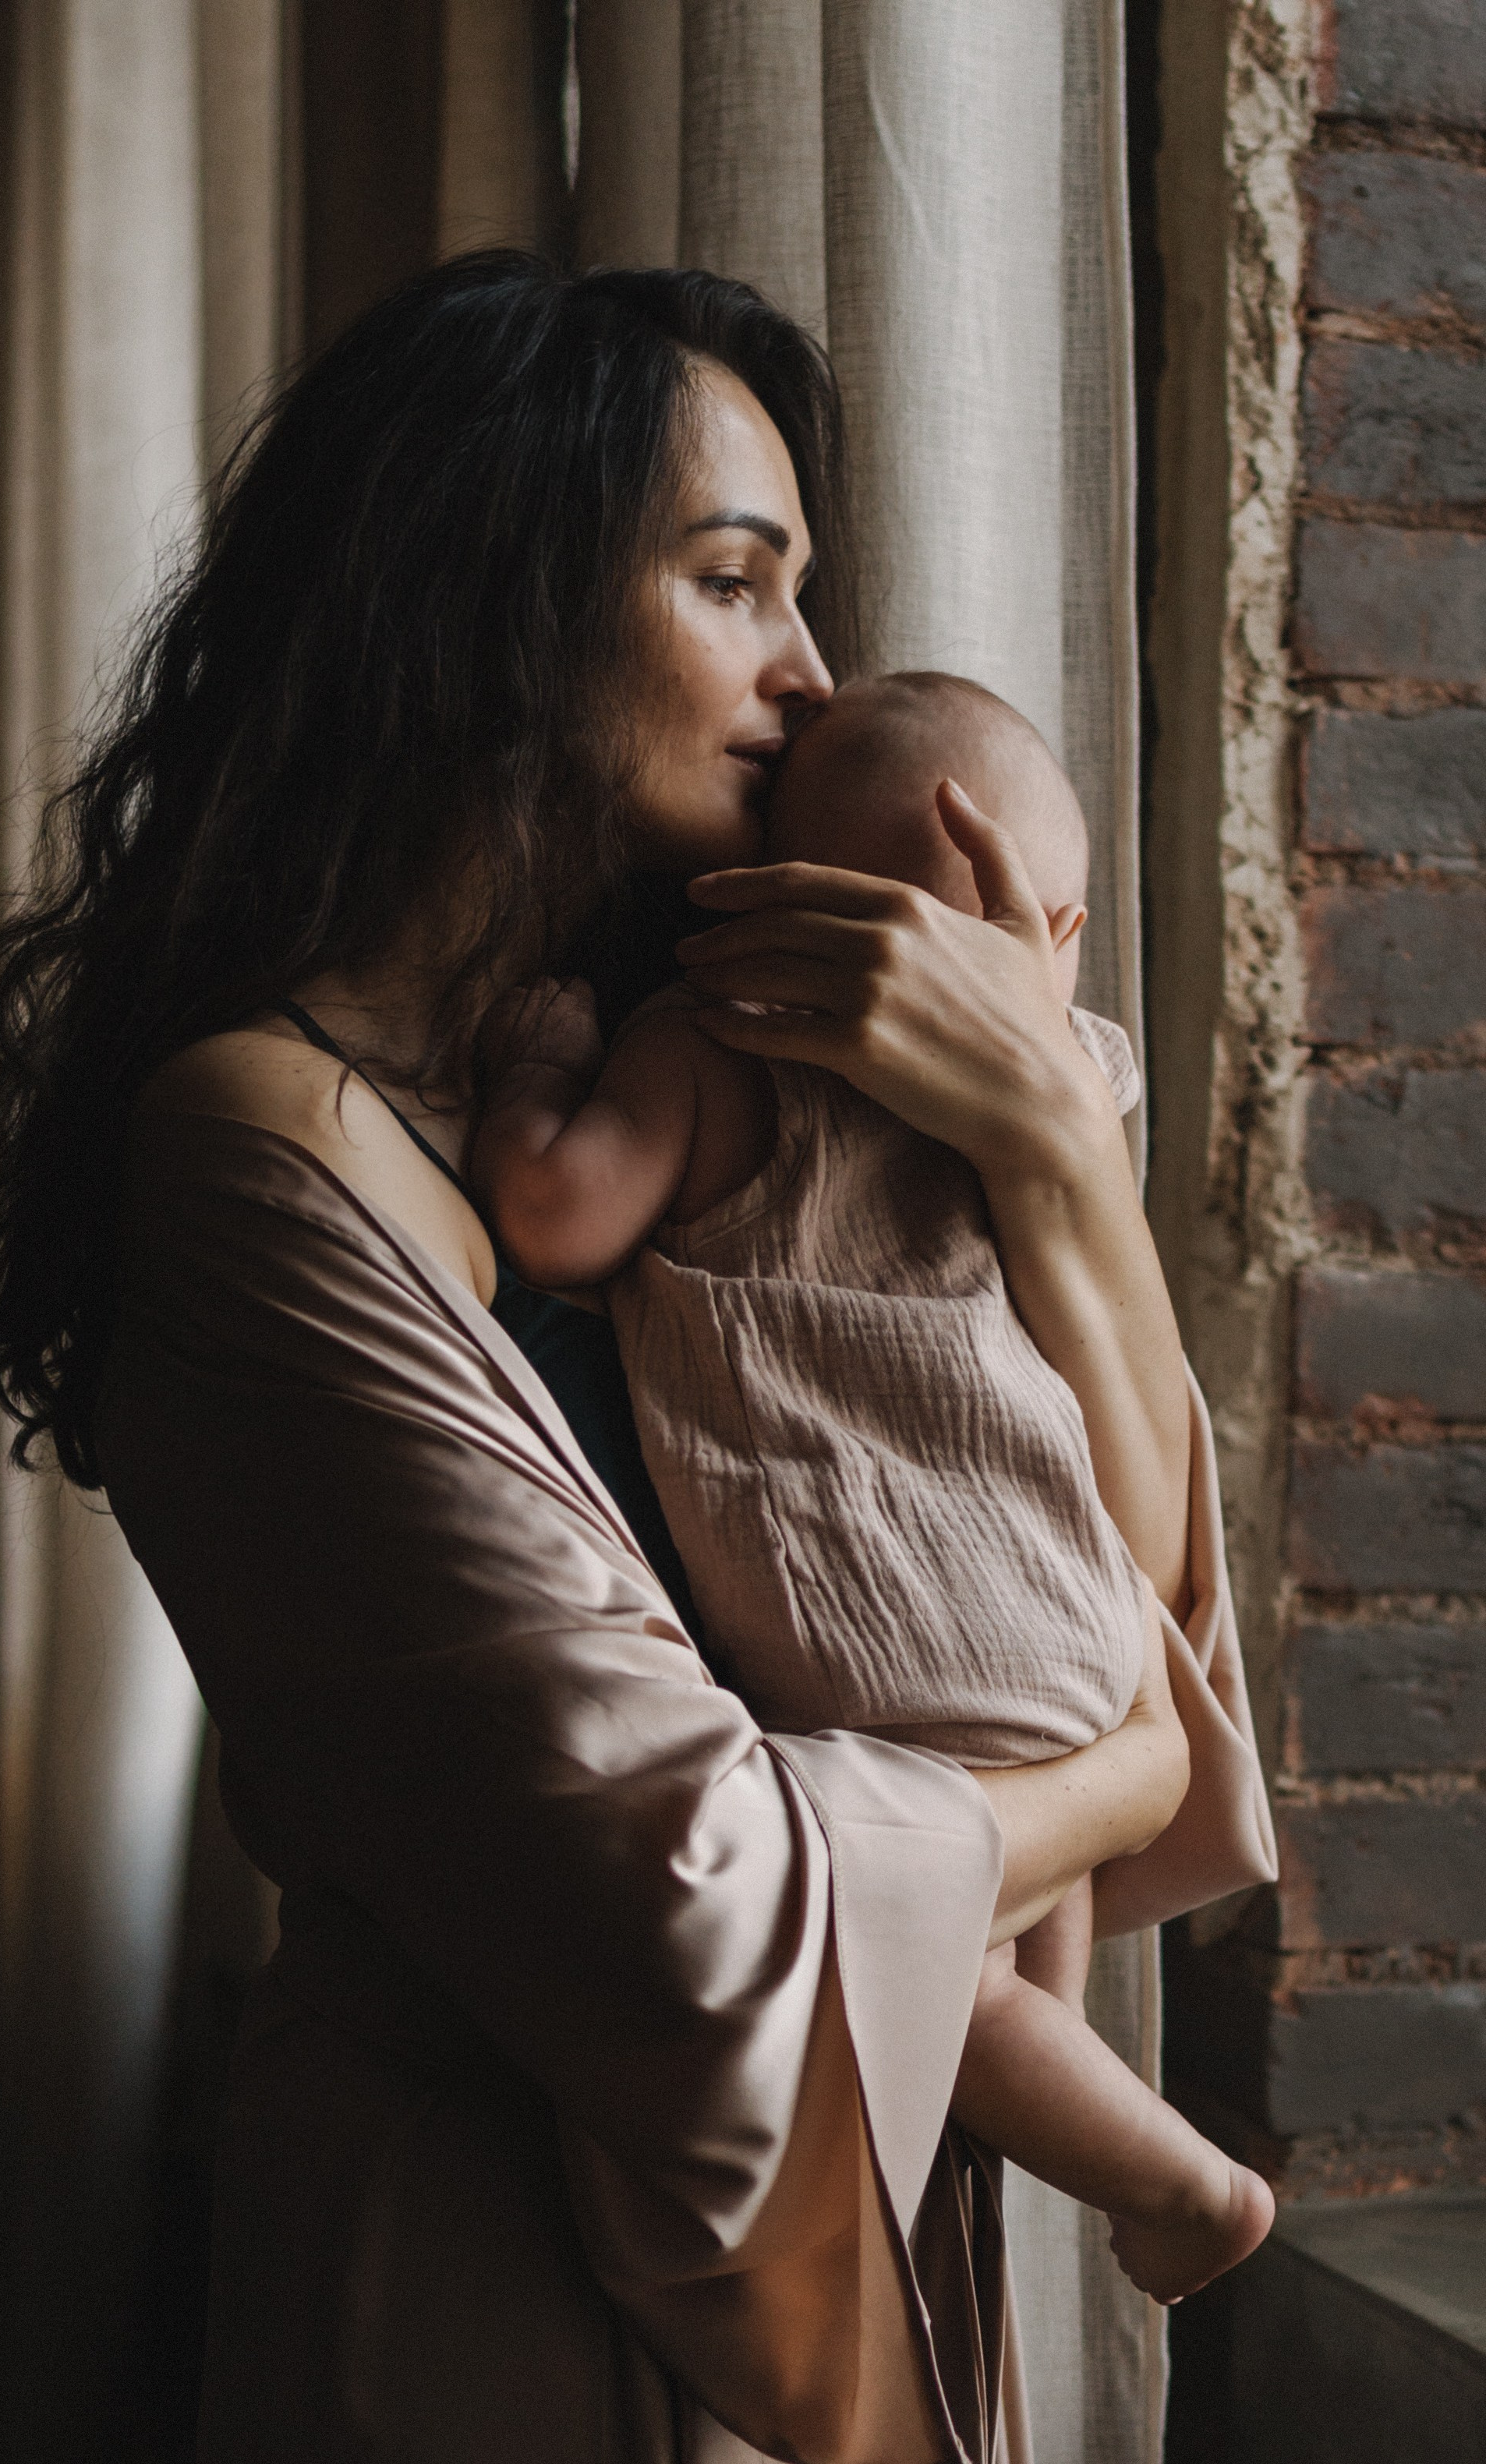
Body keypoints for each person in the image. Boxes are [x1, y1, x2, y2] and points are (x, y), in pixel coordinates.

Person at [0, 253, 1270, 2463]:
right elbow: (696, 1894)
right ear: (491, 601)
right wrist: (1120, 1779)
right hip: (497, 2302)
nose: (815, 674)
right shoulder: (262, 1162)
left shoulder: (682, 1109)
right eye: (736, 584)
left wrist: (1046, 1142)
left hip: (836, 2180)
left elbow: (1079, 1566)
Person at [471, 670, 1275, 2306]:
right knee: (1020, 1994)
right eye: (729, 587)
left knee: (961, 2003)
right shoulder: (1080, 1076)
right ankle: (1060, 2171)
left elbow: (552, 1219)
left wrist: (541, 1053)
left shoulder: (708, 1049)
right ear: (1049, 926)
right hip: (1083, 1614)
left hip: (894, 1637)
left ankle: (1183, 2185)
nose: (797, 667)